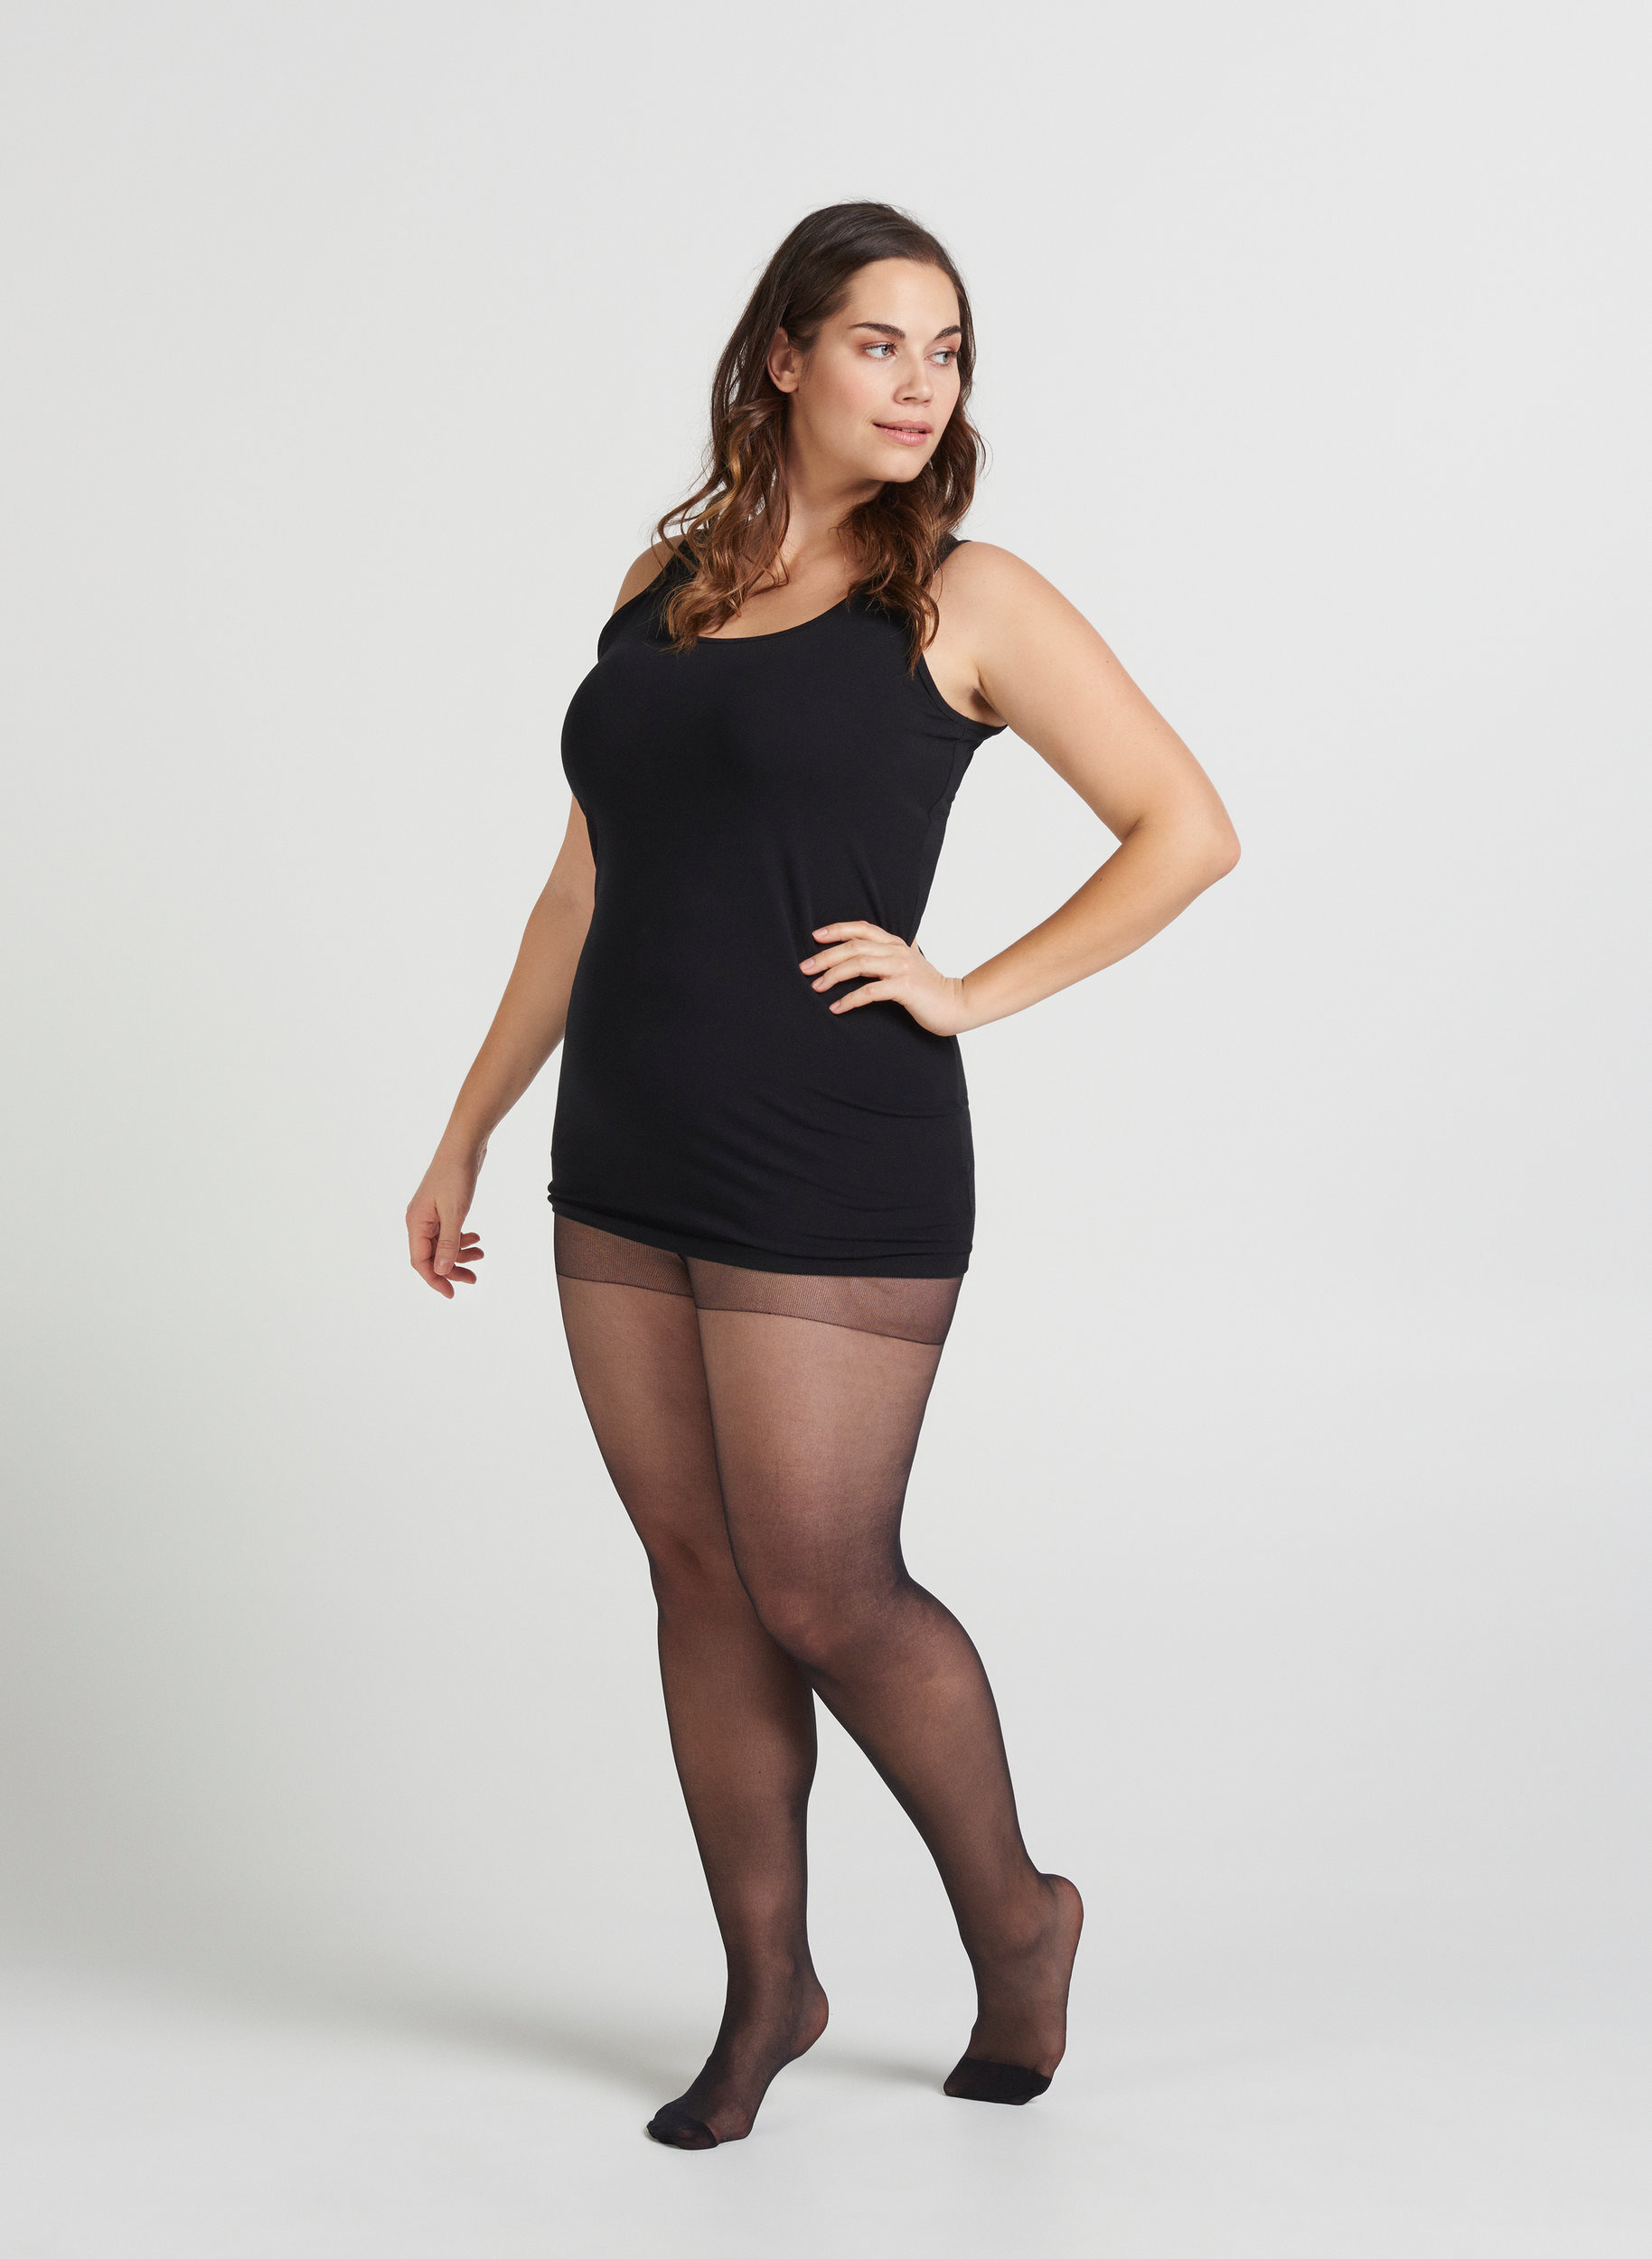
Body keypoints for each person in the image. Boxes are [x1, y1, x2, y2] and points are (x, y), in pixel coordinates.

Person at [405, 202, 1239, 2150]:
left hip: (831, 1148)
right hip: (626, 1139)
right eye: (880, 341)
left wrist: (964, 989)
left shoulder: (962, 596)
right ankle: (768, 1984)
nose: (920, 382)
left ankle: (1019, 1918)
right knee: (696, 1572)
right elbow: (579, 885)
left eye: (946, 351)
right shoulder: (666, 581)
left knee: (821, 1582)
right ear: (782, 354)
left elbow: (1182, 828)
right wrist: (467, 1125)